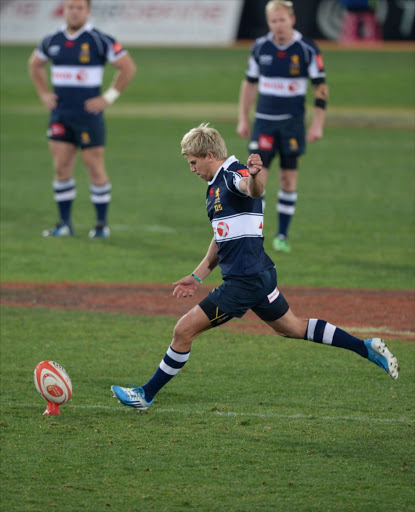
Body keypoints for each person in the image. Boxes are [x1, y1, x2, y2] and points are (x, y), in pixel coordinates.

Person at [111, 124, 399, 412]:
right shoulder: (214, 187)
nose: (192, 169)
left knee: (183, 331)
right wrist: (198, 275)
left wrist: (257, 175)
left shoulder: (234, 174)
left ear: (209, 155)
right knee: (293, 327)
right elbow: (220, 237)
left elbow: (252, 189)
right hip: (260, 275)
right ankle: (367, 347)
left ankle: (145, 394)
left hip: (244, 281)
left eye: (193, 162)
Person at [28, 0, 136, 238]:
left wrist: (108, 97)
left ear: (87, 11)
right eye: (70, 7)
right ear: (64, 10)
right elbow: (35, 65)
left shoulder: (99, 40)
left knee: (95, 168)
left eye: (79, 8)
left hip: (88, 117)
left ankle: (100, 225)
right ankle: (64, 224)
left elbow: (127, 67)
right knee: (61, 167)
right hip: (60, 115)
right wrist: (44, 93)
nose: (74, 12)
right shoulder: (51, 40)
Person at [237, 0, 328, 253]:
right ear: (269, 23)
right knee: (257, 180)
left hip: (292, 126)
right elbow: (249, 84)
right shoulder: (259, 47)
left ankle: (282, 236)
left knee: (288, 180)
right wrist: (243, 118)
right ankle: (256, 237)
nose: (278, 25)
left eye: (282, 20)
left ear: (292, 19)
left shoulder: (306, 49)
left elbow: (320, 87)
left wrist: (317, 123)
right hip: (263, 124)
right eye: (273, 21)